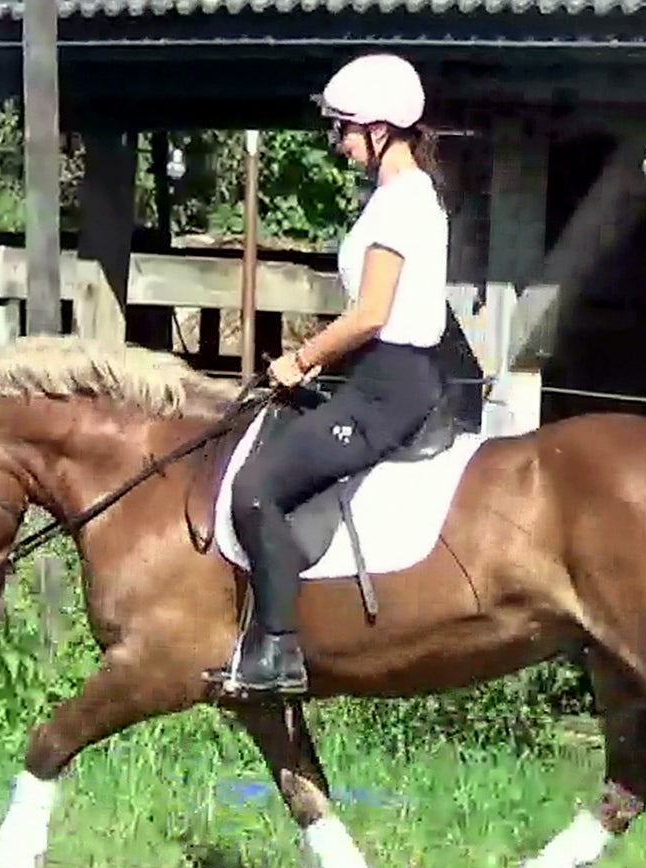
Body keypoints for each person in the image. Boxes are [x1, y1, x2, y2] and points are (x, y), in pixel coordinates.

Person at [208, 52, 450, 696]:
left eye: (344, 129)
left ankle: (279, 649)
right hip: (376, 379)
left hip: (385, 388)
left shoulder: (402, 203)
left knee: (255, 487)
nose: (337, 143)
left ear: (379, 131)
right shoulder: (397, 198)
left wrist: (300, 358)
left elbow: (370, 313)